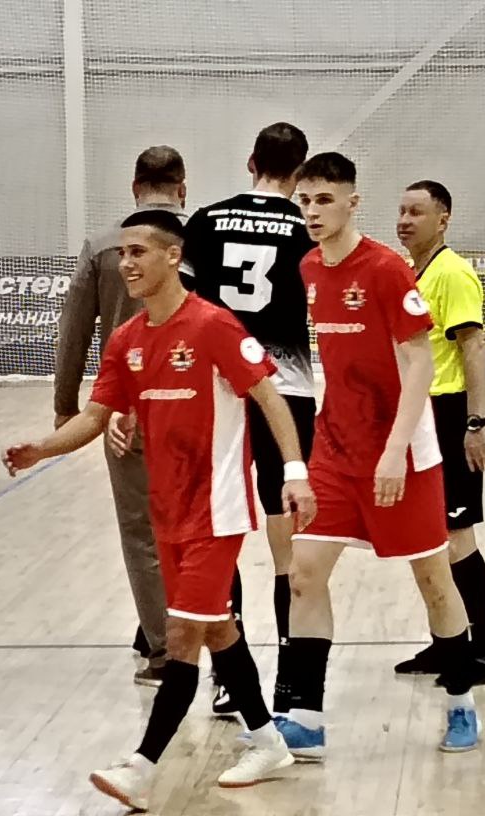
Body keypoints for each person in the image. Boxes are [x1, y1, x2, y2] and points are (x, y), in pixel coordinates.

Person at [3, 209, 316, 811]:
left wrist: (296, 472)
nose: (126, 263)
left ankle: (141, 768)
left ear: (173, 257)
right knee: (218, 629)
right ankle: (268, 742)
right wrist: (42, 448)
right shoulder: (127, 340)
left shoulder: (214, 326)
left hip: (216, 511)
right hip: (166, 513)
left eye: (138, 252)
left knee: (180, 637)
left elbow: (269, 397)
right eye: (122, 253)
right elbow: (96, 418)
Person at [279, 152, 482, 758]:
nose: (313, 211)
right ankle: (306, 718)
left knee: (433, 578)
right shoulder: (309, 267)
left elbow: (420, 361)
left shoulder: (387, 269)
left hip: (403, 450)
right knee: (304, 573)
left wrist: (394, 451)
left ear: (352, 202)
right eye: (305, 200)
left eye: (324, 200)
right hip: (335, 450)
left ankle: (461, 701)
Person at [182, 121, 314, 716]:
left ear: (250, 162)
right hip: (287, 390)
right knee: (289, 544)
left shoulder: (206, 220)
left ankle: (227, 677)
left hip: (220, 393)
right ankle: (291, 675)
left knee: (220, 533)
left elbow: (182, 306)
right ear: (300, 172)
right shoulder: (307, 227)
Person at [55, 145, 190, 684]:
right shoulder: (201, 238)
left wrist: (65, 405)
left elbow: (74, 331)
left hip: (126, 409)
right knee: (197, 527)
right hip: (196, 407)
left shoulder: (103, 245)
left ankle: (163, 650)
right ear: (182, 188)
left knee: (141, 531)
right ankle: (199, 632)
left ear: (135, 188)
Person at [394, 180, 485, 685]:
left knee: (458, 535)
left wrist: (475, 423)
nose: (404, 220)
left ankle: (484, 651)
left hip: (449, 412)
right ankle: (448, 643)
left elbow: (473, 348)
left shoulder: (453, 273)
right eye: (401, 211)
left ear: (443, 219)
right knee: (429, 536)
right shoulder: (409, 273)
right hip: (419, 415)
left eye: (416, 212)